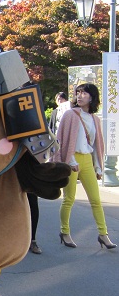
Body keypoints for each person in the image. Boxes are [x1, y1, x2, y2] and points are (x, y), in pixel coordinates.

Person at [51, 83, 116, 249]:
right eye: (78, 93)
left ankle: (103, 235)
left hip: (87, 160)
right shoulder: (70, 115)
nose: (80, 96)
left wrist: (98, 166)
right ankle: (64, 232)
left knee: (95, 200)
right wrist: (70, 161)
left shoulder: (95, 119)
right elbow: (62, 140)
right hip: (71, 159)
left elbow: (95, 144)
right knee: (69, 199)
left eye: (84, 93)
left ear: (92, 97)